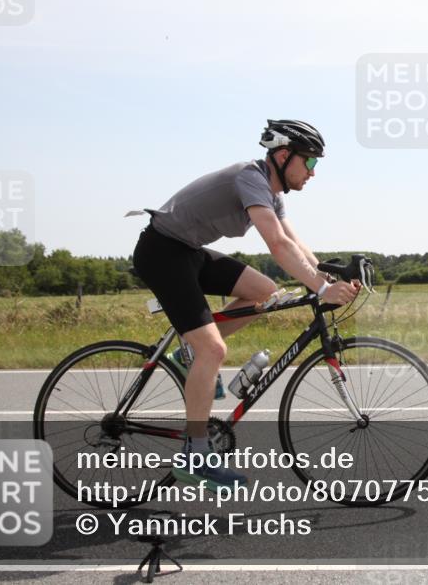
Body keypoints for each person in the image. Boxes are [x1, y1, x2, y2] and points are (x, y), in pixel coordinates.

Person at [132, 119, 360, 490]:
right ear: (284, 156)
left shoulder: (272, 192)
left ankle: (186, 355)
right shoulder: (250, 178)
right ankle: (196, 455)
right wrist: (319, 289)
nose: (313, 173)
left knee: (265, 290)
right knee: (214, 350)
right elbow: (276, 244)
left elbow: (292, 240)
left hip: (187, 251)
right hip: (162, 252)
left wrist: (327, 277)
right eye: (311, 163)